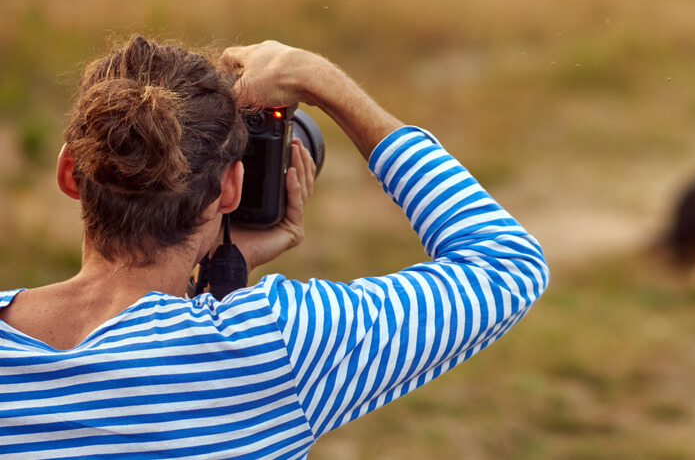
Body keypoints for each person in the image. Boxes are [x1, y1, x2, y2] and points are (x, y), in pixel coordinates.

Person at [0, 36, 549, 458]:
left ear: (70, 172)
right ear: (230, 189)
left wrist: (220, 281)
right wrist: (314, 78)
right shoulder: (271, 345)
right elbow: (506, 264)